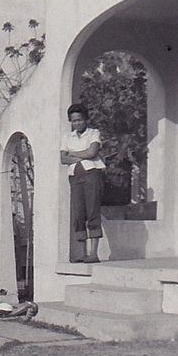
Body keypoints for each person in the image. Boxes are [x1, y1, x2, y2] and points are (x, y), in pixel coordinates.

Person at [60, 103, 106, 263]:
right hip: (75, 178)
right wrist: (83, 154)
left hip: (91, 175)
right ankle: (82, 253)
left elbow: (92, 151)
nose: (77, 123)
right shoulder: (67, 137)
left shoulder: (94, 133)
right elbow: (63, 158)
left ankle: (94, 253)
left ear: (85, 119)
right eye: (74, 121)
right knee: (78, 213)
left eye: (80, 120)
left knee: (92, 210)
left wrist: (73, 153)